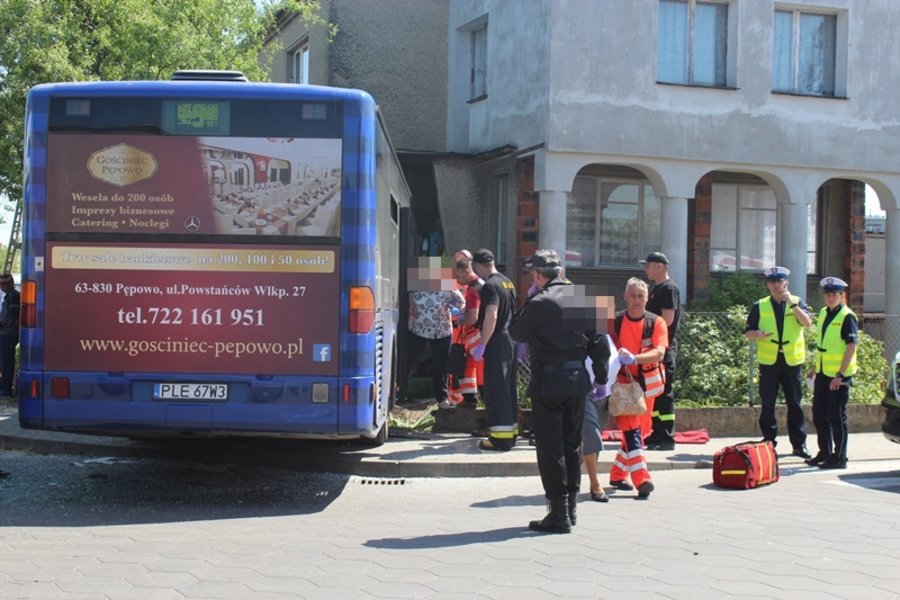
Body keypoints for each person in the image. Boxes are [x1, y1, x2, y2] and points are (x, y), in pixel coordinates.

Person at [510, 249, 611, 533]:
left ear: (539, 275)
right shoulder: (582, 299)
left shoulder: (539, 302)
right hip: (578, 381)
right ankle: (571, 509)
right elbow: (600, 344)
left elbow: (516, 332)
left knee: (550, 448)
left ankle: (557, 513)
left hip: (549, 383)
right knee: (571, 444)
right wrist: (601, 378)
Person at [744, 266, 813, 458]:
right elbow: (748, 332)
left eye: (779, 282)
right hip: (769, 362)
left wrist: (793, 305)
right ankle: (768, 443)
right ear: (767, 285)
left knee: (795, 404)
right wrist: (757, 334)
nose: (776, 285)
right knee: (768, 404)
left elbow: (807, 323)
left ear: (786, 283)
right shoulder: (760, 305)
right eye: (772, 282)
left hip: (791, 361)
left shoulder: (797, 302)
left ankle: (799, 444)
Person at [608, 277, 667, 500]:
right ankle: (642, 479)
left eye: (640, 296)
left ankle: (617, 474)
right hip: (622, 386)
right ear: (625, 297)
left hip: (647, 386)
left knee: (640, 433)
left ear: (647, 298)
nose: (636, 300)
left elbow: (660, 353)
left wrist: (635, 359)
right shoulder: (615, 322)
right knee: (632, 432)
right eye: (632, 296)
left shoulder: (656, 322)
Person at [805, 277, 858, 470]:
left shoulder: (847, 316)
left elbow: (851, 347)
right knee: (819, 414)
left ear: (841, 295)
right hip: (823, 372)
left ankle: (840, 457)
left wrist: (840, 375)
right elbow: (823, 346)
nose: (830, 297)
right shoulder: (824, 313)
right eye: (828, 294)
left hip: (838, 375)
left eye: (835, 294)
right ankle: (825, 452)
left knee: (836, 416)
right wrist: (814, 367)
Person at [470, 248, 518, 451]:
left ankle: (501, 438)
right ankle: (512, 432)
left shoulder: (490, 286)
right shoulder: (508, 282)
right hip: (511, 341)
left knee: (497, 389)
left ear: (479, 266)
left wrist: (482, 344)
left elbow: (492, 315)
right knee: (508, 388)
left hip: (497, 341)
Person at [406, 258, 465, 409]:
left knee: (441, 365)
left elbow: (461, 302)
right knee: (409, 362)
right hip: (420, 330)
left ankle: (442, 398)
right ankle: (402, 391)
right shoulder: (415, 287)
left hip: (441, 331)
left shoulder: (447, 287)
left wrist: (458, 313)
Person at [641, 252, 680, 451]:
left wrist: (648, 330)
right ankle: (656, 434)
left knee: (664, 393)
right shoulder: (655, 288)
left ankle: (667, 437)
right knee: (655, 391)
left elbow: (667, 320)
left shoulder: (669, 288)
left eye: (648, 265)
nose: (645, 269)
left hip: (663, 348)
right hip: (654, 348)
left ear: (660, 266)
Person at [448, 257, 484, 407]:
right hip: (478, 337)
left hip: (478, 336)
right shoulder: (481, 284)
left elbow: (473, 317)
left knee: (479, 372)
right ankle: (470, 400)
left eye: (458, 276)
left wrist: (460, 321)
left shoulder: (474, 289)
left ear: (465, 271)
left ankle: (473, 401)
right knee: (469, 368)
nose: (457, 280)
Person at [0, 273, 20, 397]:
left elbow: (11, 316)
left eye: (5, 283)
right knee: (4, 361)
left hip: (8, 333)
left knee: (6, 362)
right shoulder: (9, 296)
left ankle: (5, 389)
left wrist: (1, 324)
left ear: (11, 283)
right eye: (1, 284)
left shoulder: (13, 296)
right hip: (7, 333)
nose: (3, 286)